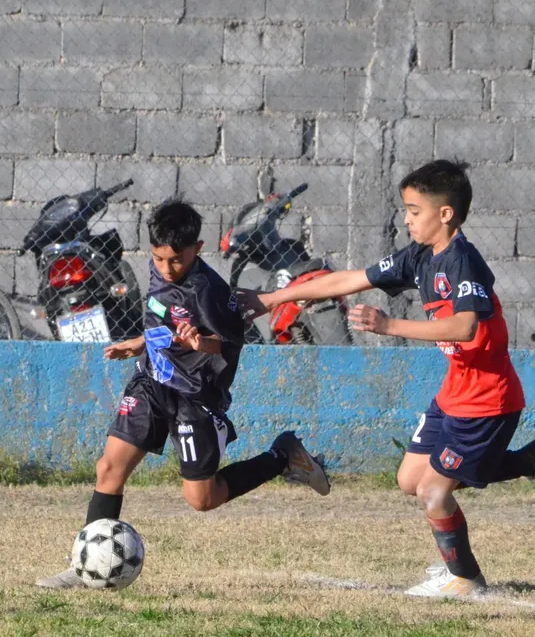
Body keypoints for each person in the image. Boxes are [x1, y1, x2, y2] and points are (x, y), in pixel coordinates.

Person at [237, 160, 535, 599]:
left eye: (414, 210)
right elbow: (347, 279)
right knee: (409, 480)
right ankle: (531, 461)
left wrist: (389, 326)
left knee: (434, 493)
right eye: (406, 209)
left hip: (487, 402)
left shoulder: (462, 262)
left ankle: (465, 578)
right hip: (454, 392)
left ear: (445, 214)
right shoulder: (418, 256)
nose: (407, 218)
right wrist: (273, 297)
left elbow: (465, 327)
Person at [37, 198, 330, 589]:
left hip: (196, 396)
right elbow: (164, 323)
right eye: (158, 259)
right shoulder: (159, 270)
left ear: (198, 247)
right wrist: (139, 344)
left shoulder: (209, 290)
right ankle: (85, 565)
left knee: (201, 499)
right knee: (109, 468)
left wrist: (200, 343)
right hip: (153, 382)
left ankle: (283, 456)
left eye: (175, 260)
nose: (166, 268)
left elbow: (226, 345)